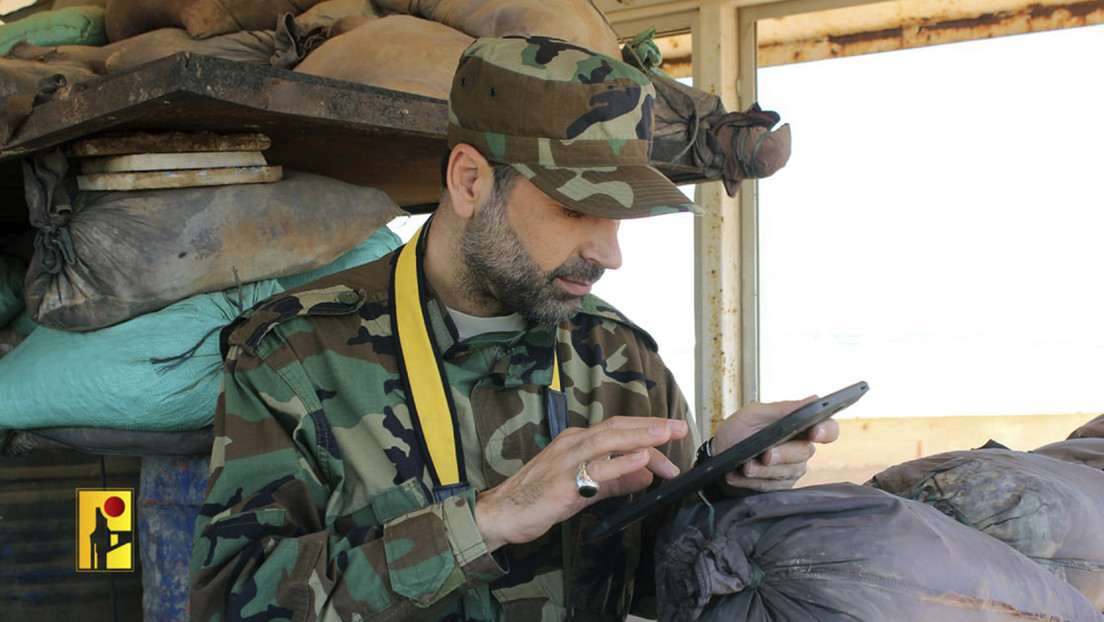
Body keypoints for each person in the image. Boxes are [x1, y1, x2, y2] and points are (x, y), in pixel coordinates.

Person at [189, 35, 839, 622]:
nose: (611, 254)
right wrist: (488, 520)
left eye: (622, 217)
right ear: (470, 181)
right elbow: (230, 604)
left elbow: (660, 577)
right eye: (577, 207)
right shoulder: (294, 351)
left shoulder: (621, 354)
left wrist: (721, 473)